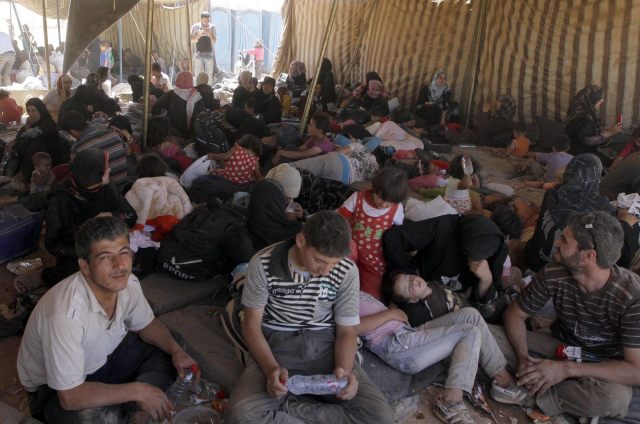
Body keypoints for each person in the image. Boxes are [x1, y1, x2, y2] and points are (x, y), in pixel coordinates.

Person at [18, 216, 198, 423]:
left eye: (124, 253)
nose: (119, 265)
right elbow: (69, 397)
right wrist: (138, 391)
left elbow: (147, 324)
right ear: (85, 266)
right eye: (105, 257)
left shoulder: (128, 283)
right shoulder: (65, 315)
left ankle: (138, 408)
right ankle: (139, 403)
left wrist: (177, 352)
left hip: (103, 358)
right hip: (55, 388)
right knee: (94, 418)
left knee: (172, 345)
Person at [225, 210, 395, 424]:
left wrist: (344, 370)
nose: (326, 271)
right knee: (239, 415)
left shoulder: (347, 270)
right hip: (277, 344)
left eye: (333, 263)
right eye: (319, 261)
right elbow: (251, 325)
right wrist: (270, 370)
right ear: (301, 240)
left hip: (325, 344)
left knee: (381, 417)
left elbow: (347, 330)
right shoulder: (263, 264)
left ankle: (290, 409)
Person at [490, 211, 640, 420]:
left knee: (614, 399)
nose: (557, 242)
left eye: (565, 240)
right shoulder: (555, 272)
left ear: (589, 255)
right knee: (486, 335)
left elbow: (635, 370)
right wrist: (523, 357)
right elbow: (515, 314)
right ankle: (541, 380)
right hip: (559, 348)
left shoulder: (631, 296)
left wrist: (566, 370)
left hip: (602, 368)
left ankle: (529, 393)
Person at [361, 273, 529, 424]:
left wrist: (393, 310)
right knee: (469, 333)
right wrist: (391, 315)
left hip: (407, 333)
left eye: (409, 277)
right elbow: (351, 329)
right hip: (398, 345)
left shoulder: (357, 292)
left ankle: (503, 381)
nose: (411, 281)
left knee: (471, 315)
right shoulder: (340, 299)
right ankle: (450, 402)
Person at [382, 207, 522, 321]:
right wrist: (410, 276)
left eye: (479, 257)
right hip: (421, 293)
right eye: (469, 254)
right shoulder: (445, 227)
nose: (472, 261)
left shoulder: (497, 250)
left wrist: (486, 281)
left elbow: (485, 305)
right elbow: (392, 238)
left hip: (454, 304)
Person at [524, 154, 614, 272]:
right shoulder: (603, 208)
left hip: (533, 258)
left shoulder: (553, 193)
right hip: (566, 271)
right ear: (596, 176)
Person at [338, 168, 408, 299]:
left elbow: (398, 234)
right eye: (381, 197)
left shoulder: (397, 208)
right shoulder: (358, 198)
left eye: (390, 202)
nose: (384, 204)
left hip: (374, 256)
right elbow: (341, 216)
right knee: (340, 276)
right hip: (351, 247)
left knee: (372, 295)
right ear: (374, 188)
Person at [61, 111, 129, 187]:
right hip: (124, 184)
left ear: (72, 131)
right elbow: (128, 152)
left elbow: (79, 176)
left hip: (104, 192)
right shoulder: (112, 134)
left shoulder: (77, 148)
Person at [565, 85, 622, 163]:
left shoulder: (581, 112)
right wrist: (610, 133)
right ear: (591, 100)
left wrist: (610, 131)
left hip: (585, 151)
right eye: (599, 100)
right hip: (579, 155)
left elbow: (589, 133)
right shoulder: (582, 118)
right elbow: (587, 140)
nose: (602, 101)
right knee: (612, 162)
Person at [6, 98, 58, 183]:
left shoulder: (48, 125)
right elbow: (21, 138)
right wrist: (27, 126)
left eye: (34, 110)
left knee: (34, 146)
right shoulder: (31, 124)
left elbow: (28, 141)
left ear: (40, 110)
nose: (31, 114)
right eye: (29, 111)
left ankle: (20, 177)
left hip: (45, 159)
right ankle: (10, 175)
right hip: (27, 158)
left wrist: (26, 130)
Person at [151, 71, 204, 139]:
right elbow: (202, 115)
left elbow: (156, 108)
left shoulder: (171, 94)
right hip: (192, 135)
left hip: (173, 133)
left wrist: (161, 124)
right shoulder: (197, 96)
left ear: (178, 80)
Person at [190, 10, 217, 84]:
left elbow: (214, 41)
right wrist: (200, 34)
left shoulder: (212, 27)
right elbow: (192, 40)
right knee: (198, 75)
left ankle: (209, 91)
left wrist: (209, 33)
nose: (206, 22)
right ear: (201, 19)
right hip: (198, 54)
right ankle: (198, 91)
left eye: (208, 20)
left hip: (209, 54)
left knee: (209, 76)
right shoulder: (195, 27)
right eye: (205, 20)